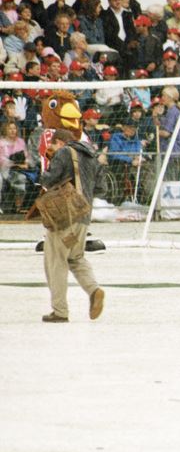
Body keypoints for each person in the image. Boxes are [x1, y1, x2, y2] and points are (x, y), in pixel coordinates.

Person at [39, 129, 106, 323]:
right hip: (84, 215)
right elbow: (102, 188)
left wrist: (49, 165)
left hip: (64, 216)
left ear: (59, 142)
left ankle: (60, 310)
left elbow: (48, 180)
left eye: (52, 145)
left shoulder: (63, 152)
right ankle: (94, 290)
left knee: (56, 260)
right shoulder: (93, 155)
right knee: (76, 257)